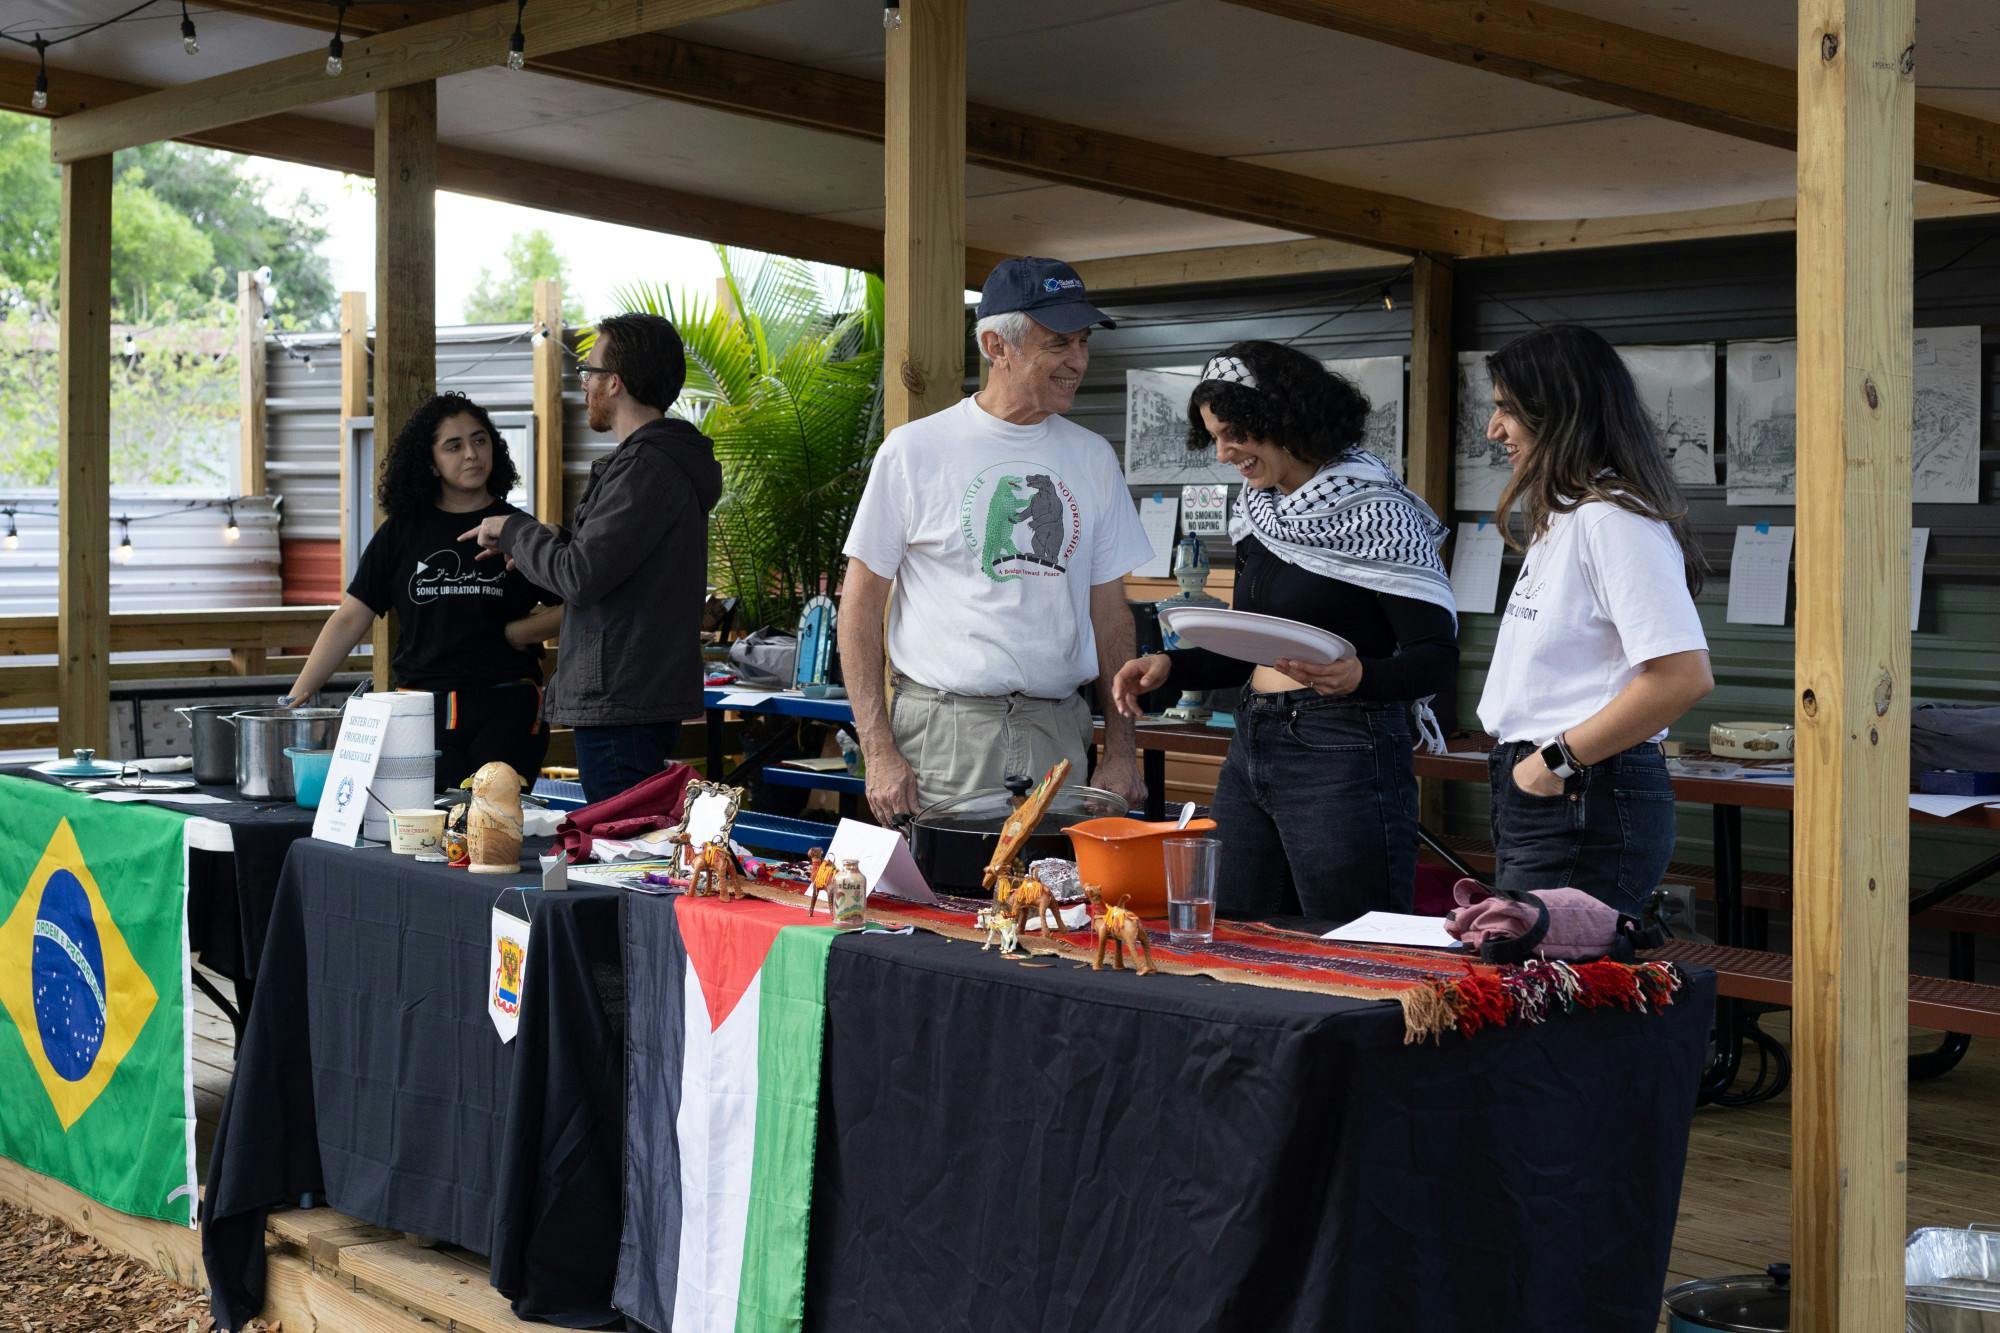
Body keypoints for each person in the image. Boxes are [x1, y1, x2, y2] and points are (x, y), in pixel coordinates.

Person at [1111, 342, 1457, 921]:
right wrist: (1173, 667)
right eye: (1214, 438)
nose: (1223, 454)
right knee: (1231, 924)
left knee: (1351, 935)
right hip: (1253, 738)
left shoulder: (1376, 509)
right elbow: (1253, 648)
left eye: (1233, 435)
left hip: (1346, 744)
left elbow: (1436, 658)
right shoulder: (1259, 512)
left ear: (1281, 418)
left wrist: (1361, 677)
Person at [838, 257, 1154, 822]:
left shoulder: (1093, 456)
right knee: (942, 903)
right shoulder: (915, 450)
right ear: (995, 345)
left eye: (1083, 342)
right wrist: (878, 750)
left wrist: (1122, 752)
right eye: (1058, 343)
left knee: (1059, 906)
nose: (1077, 362)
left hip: (1061, 729)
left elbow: (1111, 614)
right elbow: (859, 609)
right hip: (943, 736)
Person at [1476, 324, 1714, 914]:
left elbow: (1682, 676)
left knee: (1547, 992)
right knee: (1529, 989)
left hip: (1583, 790)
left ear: (1558, 411)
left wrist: (1553, 763)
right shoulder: (1570, 515)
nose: (1494, 429)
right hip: (1553, 786)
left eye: (1508, 409)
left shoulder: (1613, 519)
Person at [463, 313, 722, 804]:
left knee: (619, 853)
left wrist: (516, 530)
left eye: (589, 372)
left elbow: (580, 575)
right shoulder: (657, 464)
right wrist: (543, 541)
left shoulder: (645, 469)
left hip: (620, 701)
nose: (583, 385)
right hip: (631, 698)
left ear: (615, 382)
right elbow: (608, 560)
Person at [284, 391, 562, 788]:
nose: (471, 454)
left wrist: (522, 632)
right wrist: (297, 698)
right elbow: (350, 617)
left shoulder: (518, 529)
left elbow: (583, 601)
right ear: (430, 462)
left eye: (480, 440)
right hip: (420, 713)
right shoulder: (401, 533)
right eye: (454, 446)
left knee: (495, 829)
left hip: (508, 706)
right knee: (426, 833)